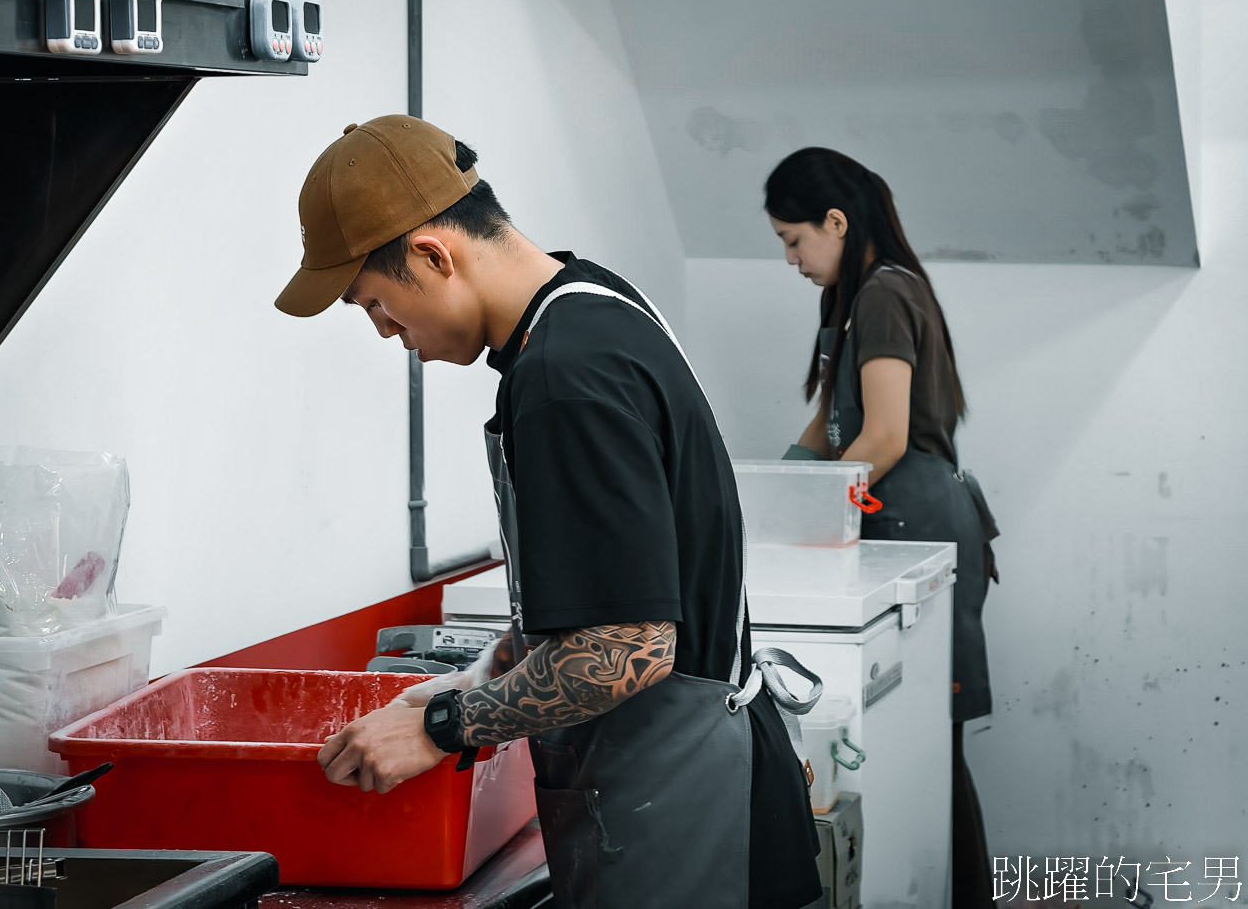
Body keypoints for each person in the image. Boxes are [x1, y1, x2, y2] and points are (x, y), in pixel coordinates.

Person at [274, 116, 824, 909]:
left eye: (376, 304)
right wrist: (466, 680)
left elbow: (629, 648)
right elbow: (601, 593)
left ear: (432, 254)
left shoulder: (564, 377)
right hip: (705, 780)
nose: (387, 334)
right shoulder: (592, 302)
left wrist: (440, 728)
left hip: (682, 814)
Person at [764, 147, 1001, 908]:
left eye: (794, 240)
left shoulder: (884, 295)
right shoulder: (856, 296)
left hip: (918, 516)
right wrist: (780, 480)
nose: (792, 259)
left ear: (835, 222)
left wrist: (810, 517)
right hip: (892, 514)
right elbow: (835, 422)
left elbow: (886, 437)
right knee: (909, 743)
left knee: (935, 742)